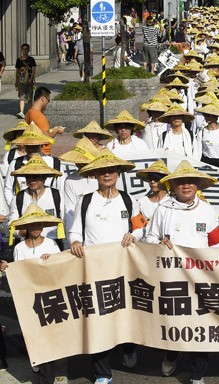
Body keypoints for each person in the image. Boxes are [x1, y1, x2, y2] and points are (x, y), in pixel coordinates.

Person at [70, 149, 145, 384]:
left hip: (124, 267)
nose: (107, 174)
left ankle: (129, 347)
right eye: (103, 170)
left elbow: (140, 226)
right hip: (94, 268)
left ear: (119, 173)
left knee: (126, 313)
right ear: (95, 175)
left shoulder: (129, 200)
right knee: (98, 318)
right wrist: (74, 241)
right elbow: (75, 230)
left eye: (112, 170)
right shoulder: (86, 200)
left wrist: (135, 235)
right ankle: (102, 372)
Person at [145, 161, 219, 384]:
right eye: (181, 182)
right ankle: (171, 355)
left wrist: (213, 269)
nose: (186, 186)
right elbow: (148, 238)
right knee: (175, 323)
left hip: (201, 277)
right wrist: (159, 242)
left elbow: (216, 244)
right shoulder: (163, 209)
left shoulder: (208, 210)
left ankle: (198, 374)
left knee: (201, 325)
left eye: (190, 182)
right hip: (172, 278)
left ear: (198, 185)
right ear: (173, 186)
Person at [1, 203, 66, 384]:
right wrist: (8, 268)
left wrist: (52, 260)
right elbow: (18, 271)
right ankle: (36, 358)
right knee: (32, 332)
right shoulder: (19, 248)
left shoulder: (52, 244)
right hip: (28, 297)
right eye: (33, 224)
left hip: (50, 294)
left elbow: (62, 267)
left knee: (48, 334)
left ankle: (47, 375)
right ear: (27, 227)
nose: (36, 228)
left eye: (39, 224)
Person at [7, 154, 64, 250]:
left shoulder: (56, 195)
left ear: (44, 178)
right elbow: (11, 225)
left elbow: (64, 220)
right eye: (28, 177)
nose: (31, 180)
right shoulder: (18, 198)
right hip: (26, 245)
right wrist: (25, 230)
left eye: (35, 176)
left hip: (53, 244)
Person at [25, 87, 64, 155]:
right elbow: (46, 137)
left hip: (32, 150)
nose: (47, 103)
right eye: (48, 100)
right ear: (43, 98)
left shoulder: (29, 113)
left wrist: (51, 130)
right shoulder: (39, 116)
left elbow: (39, 132)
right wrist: (57, 130)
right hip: (42, 152)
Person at [15, 43, 36, 118]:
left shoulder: (31, 59)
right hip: (21, 81)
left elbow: (33, 70)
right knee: (21, 97)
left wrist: (31, 78)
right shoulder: (18, 60)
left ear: (28, 50)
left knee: (30, 98)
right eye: (23, 49)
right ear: (21, 50)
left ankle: (30, 113)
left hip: (29, 81)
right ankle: (21, 112)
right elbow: (17, 70)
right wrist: (16, 80)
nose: (25, 51)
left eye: (26, 49)